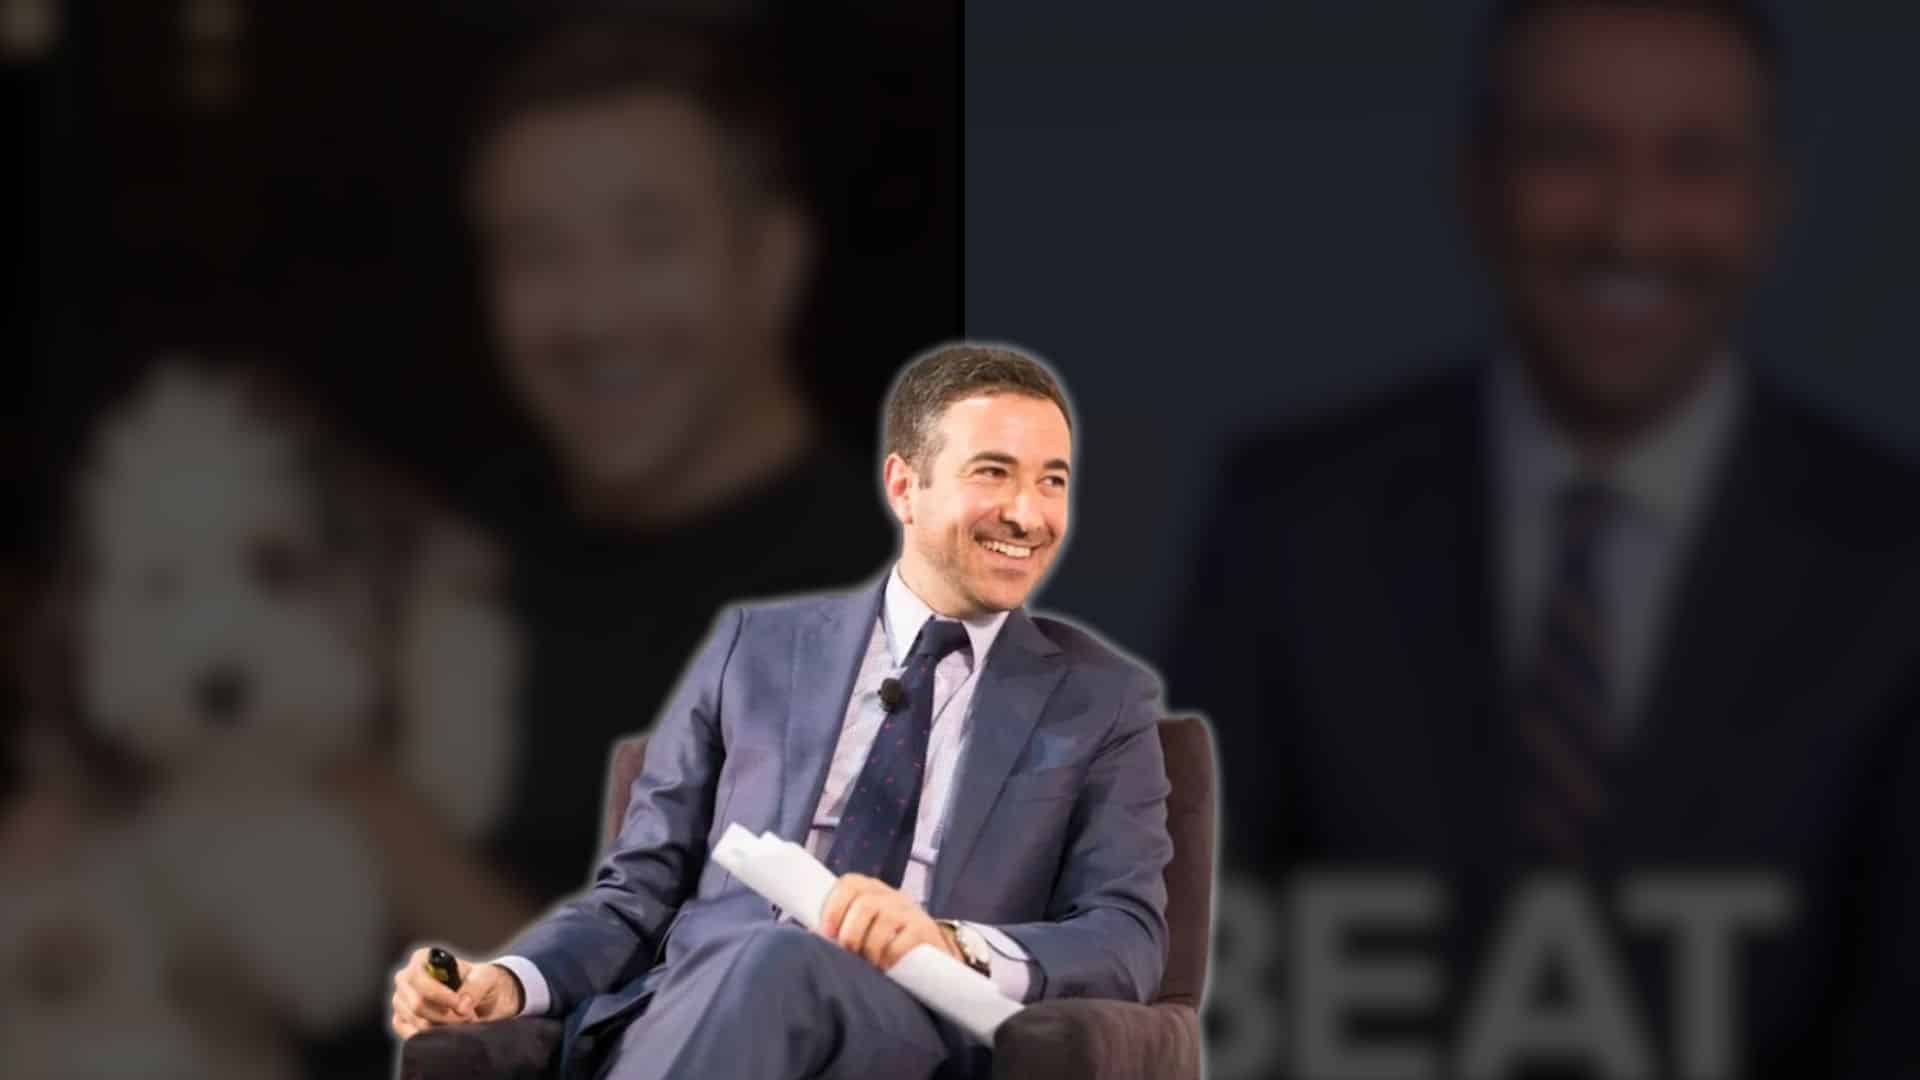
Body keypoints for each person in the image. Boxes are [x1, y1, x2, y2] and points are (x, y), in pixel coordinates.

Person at [1168, 2, 1919, 1077]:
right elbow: (1201, 976)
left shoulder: (1899, 560)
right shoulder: (1290, 521)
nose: (1631, 226)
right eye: (1573, 152)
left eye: (1694, 161)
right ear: (1479, 181)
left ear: (1767, 202)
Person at [389, 343, 1174, 1079]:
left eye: (1053, 481)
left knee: (780, 960)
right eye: (994, 472)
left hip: (911, 1029)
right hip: (693, 1011)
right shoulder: (753, 649)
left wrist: (949, 942)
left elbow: (1127, 934)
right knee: (757, 960)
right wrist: (511, 979)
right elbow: (635, 896)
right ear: (905, 485)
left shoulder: (1100, 700)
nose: (1029, 514)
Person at [453, 15, 898, 915]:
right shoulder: (458, 563)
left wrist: (374, 812)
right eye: (538, 254)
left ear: (773, 263)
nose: (593, 316)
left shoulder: (882, 613)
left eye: (649, 241)